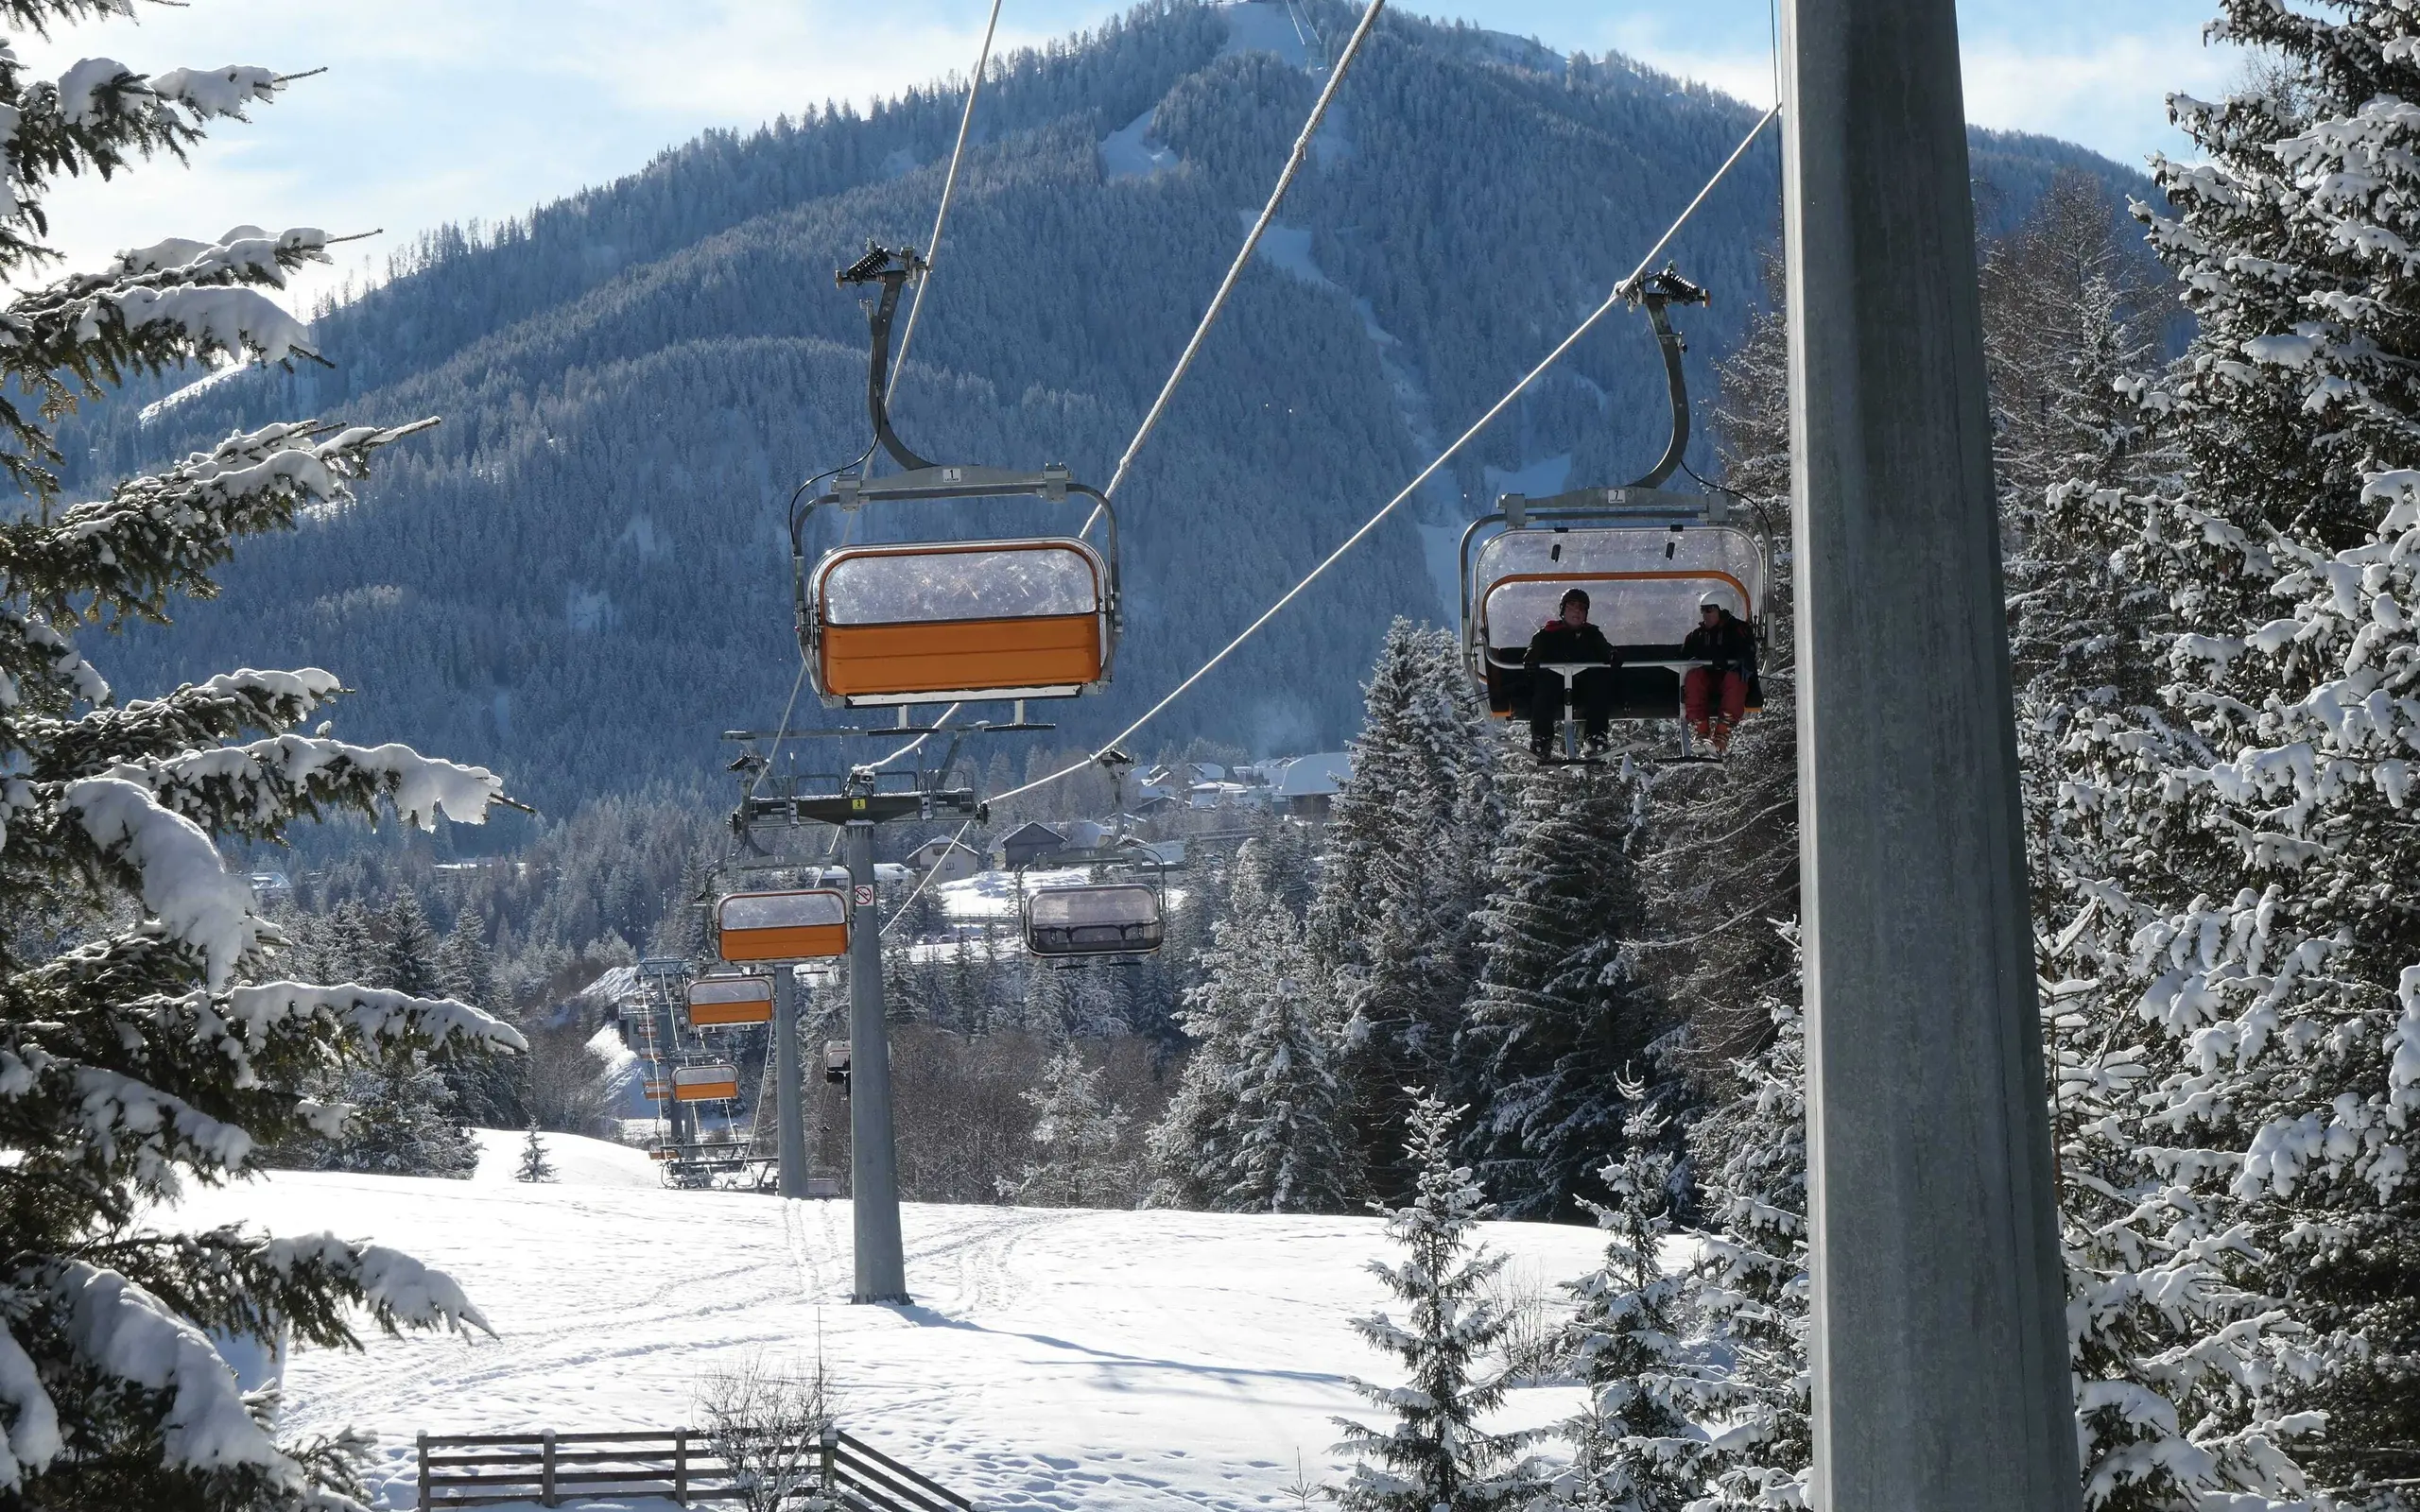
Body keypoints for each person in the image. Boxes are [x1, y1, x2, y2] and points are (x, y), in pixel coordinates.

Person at [1523, 588, 1618, 758]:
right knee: (1545, 686)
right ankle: (1541, 738)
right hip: (1555, 687)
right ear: (1563, 610)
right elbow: (1534, 650)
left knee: (1598, 684)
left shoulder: (1592, 634)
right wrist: (1531, 659)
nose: (1577, 611)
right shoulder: (1547, 633)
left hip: (1583, 687)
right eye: (1572, 606)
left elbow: (1604, 648)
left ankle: (1595, 737)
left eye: (1582, 608)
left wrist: (1612, 655)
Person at [1682, 591, 1756, 753]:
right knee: (1694, 677)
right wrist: (1696, 660)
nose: (1705, 615)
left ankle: (1722, 733)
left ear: (1722, 611)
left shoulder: (1738, 631)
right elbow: (1685, 655)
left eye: (1709, 610)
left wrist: (1731, 660)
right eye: (1703, 610)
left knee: (1735, 680)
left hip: (1728, 680)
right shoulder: (1697, 636)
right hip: (1707, 681)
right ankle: (1701, 730)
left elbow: (1747, 653)